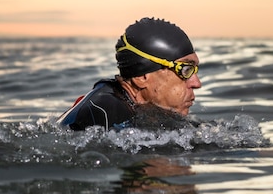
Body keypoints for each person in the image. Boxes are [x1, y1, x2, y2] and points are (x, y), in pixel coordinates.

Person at [58, 17, 202, 131]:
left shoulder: (133, 107)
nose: (196, 83)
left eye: (194, 70)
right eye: (185, 69)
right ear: (142, 77)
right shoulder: (103, 113)